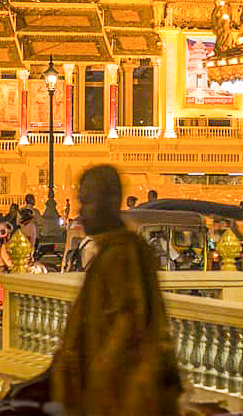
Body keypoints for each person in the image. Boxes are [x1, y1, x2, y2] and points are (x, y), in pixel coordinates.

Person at [49, 164, 183, 415]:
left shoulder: (122, 256)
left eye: (86, 202)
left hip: (118, 397)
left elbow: (124, 326)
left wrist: (96, 387)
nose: (81, 211)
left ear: (108, 203)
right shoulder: (114, 251)